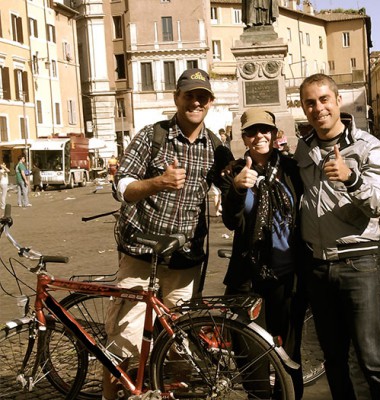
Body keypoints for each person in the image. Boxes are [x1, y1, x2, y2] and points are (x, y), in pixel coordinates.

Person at [103, 68, 231, 400]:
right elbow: (121, 186)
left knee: (180, 340)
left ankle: (175, 393)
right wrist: (157, 183)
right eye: (189, 95)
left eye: (202, 97)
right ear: (177, 98)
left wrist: (241, 184)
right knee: (123, 336)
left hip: (184, 257)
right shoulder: (152, 135)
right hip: (139, 251)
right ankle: (113, 395)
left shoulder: (215, 146)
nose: (196, 102)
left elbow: (231, 188)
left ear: (210, 103)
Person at [293, 74, 380, 400]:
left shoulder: (369, 146)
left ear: (338, 100)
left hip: (358, 265)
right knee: (334, 361)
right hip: (318, 268)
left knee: (372, 359)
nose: (318, 108)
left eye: (324, 99)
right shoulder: (303, 149)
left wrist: (351, 178)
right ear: (303, 107)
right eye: (310, 102)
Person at [218, 108, 304, 399]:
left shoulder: (292, 169)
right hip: (248, 278)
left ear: (275, 133)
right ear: (243, 137)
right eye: (252, 131)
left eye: (265, 130)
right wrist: (238, 190)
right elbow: (231, 221)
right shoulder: (235, 173)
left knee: (288, 358)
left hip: (286, 277)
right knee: (252, 360)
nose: (259, 136)